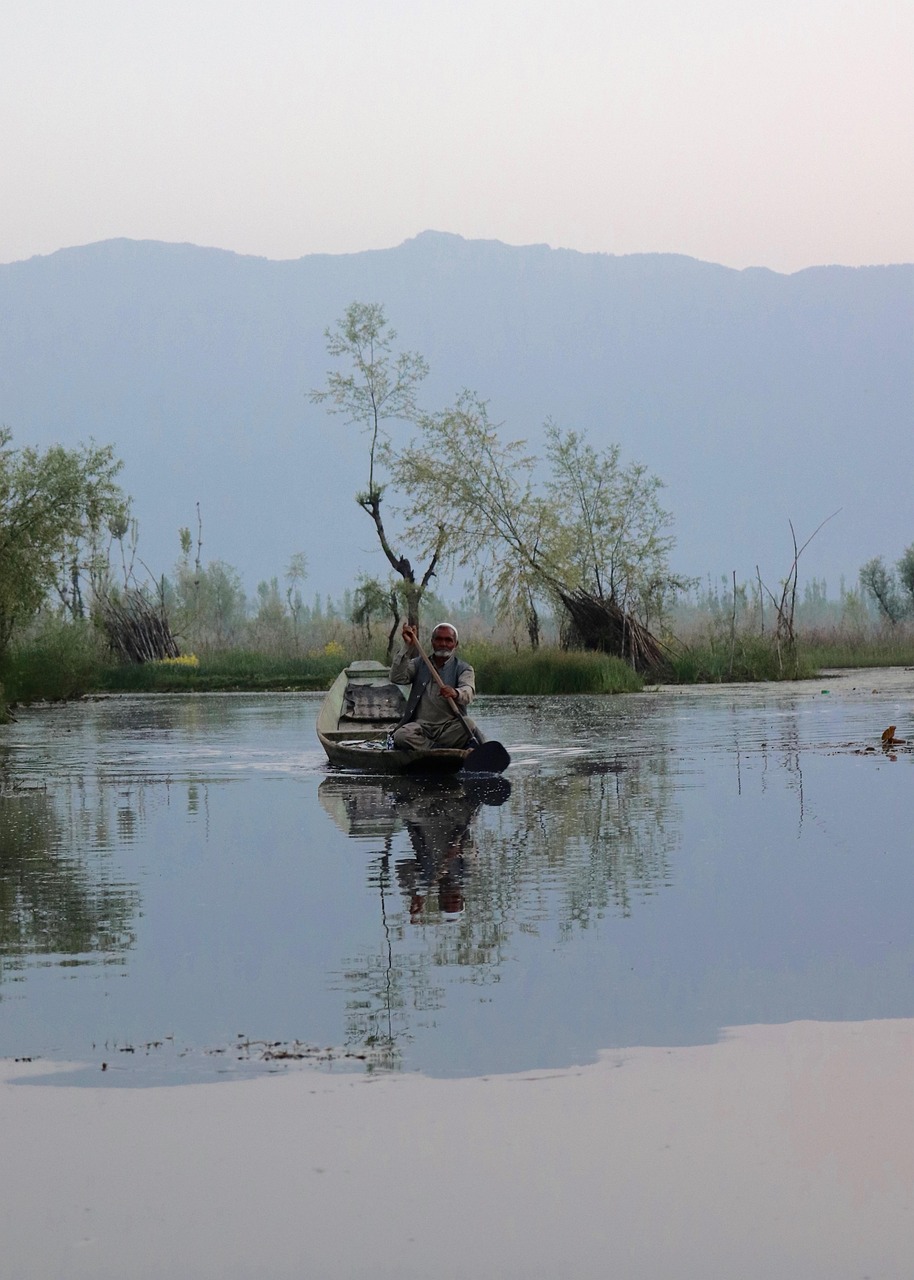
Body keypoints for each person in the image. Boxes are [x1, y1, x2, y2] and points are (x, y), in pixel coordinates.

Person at [389, 621, 478, 751]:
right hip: (420, 727)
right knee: (401, 735)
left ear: (455, 644)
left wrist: (455, 693)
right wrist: (408, 647)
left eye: (448, 640)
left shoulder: (464, 669)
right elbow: (397, 677)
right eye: (439, 639)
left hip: (448, 728)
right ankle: (436, 749)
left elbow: (468, 692)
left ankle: (429, 747)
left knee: (469, 724)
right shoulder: (418, 664)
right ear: (432, 642)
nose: (443, 644)